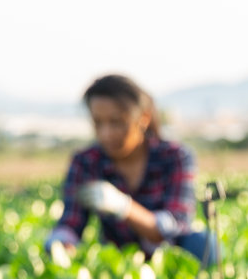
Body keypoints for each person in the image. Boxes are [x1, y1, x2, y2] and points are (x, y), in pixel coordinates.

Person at [43, 74, 218, 265]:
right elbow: (71, 222)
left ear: (143, 118)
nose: (106, 133)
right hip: (118, 260)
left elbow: (176, 223)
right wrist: (61, 244)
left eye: (117, 122)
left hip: (170, 257)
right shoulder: (85, 162)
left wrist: (123, 206)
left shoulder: (175, 157)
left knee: (206, 246)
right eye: (98, 123)